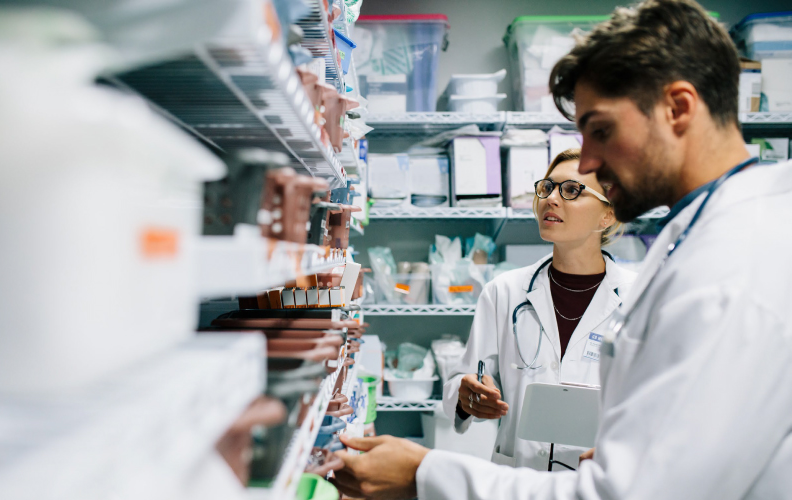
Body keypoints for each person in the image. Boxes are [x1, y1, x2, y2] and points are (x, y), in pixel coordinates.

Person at [330, 0, 792, 498]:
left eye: (600, 130)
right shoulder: (706, 235)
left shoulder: (737, 263)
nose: (589, 159)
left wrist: (425, 474)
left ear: (678, 108)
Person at [443, 147, 636, 471]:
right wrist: (467, 396)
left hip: (597, 479)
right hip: (520, 477)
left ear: (608, 215)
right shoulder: (504, 292)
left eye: (572, 190)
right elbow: (460, 383)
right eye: (547, 187)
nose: (551, 199)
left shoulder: (637, 298)